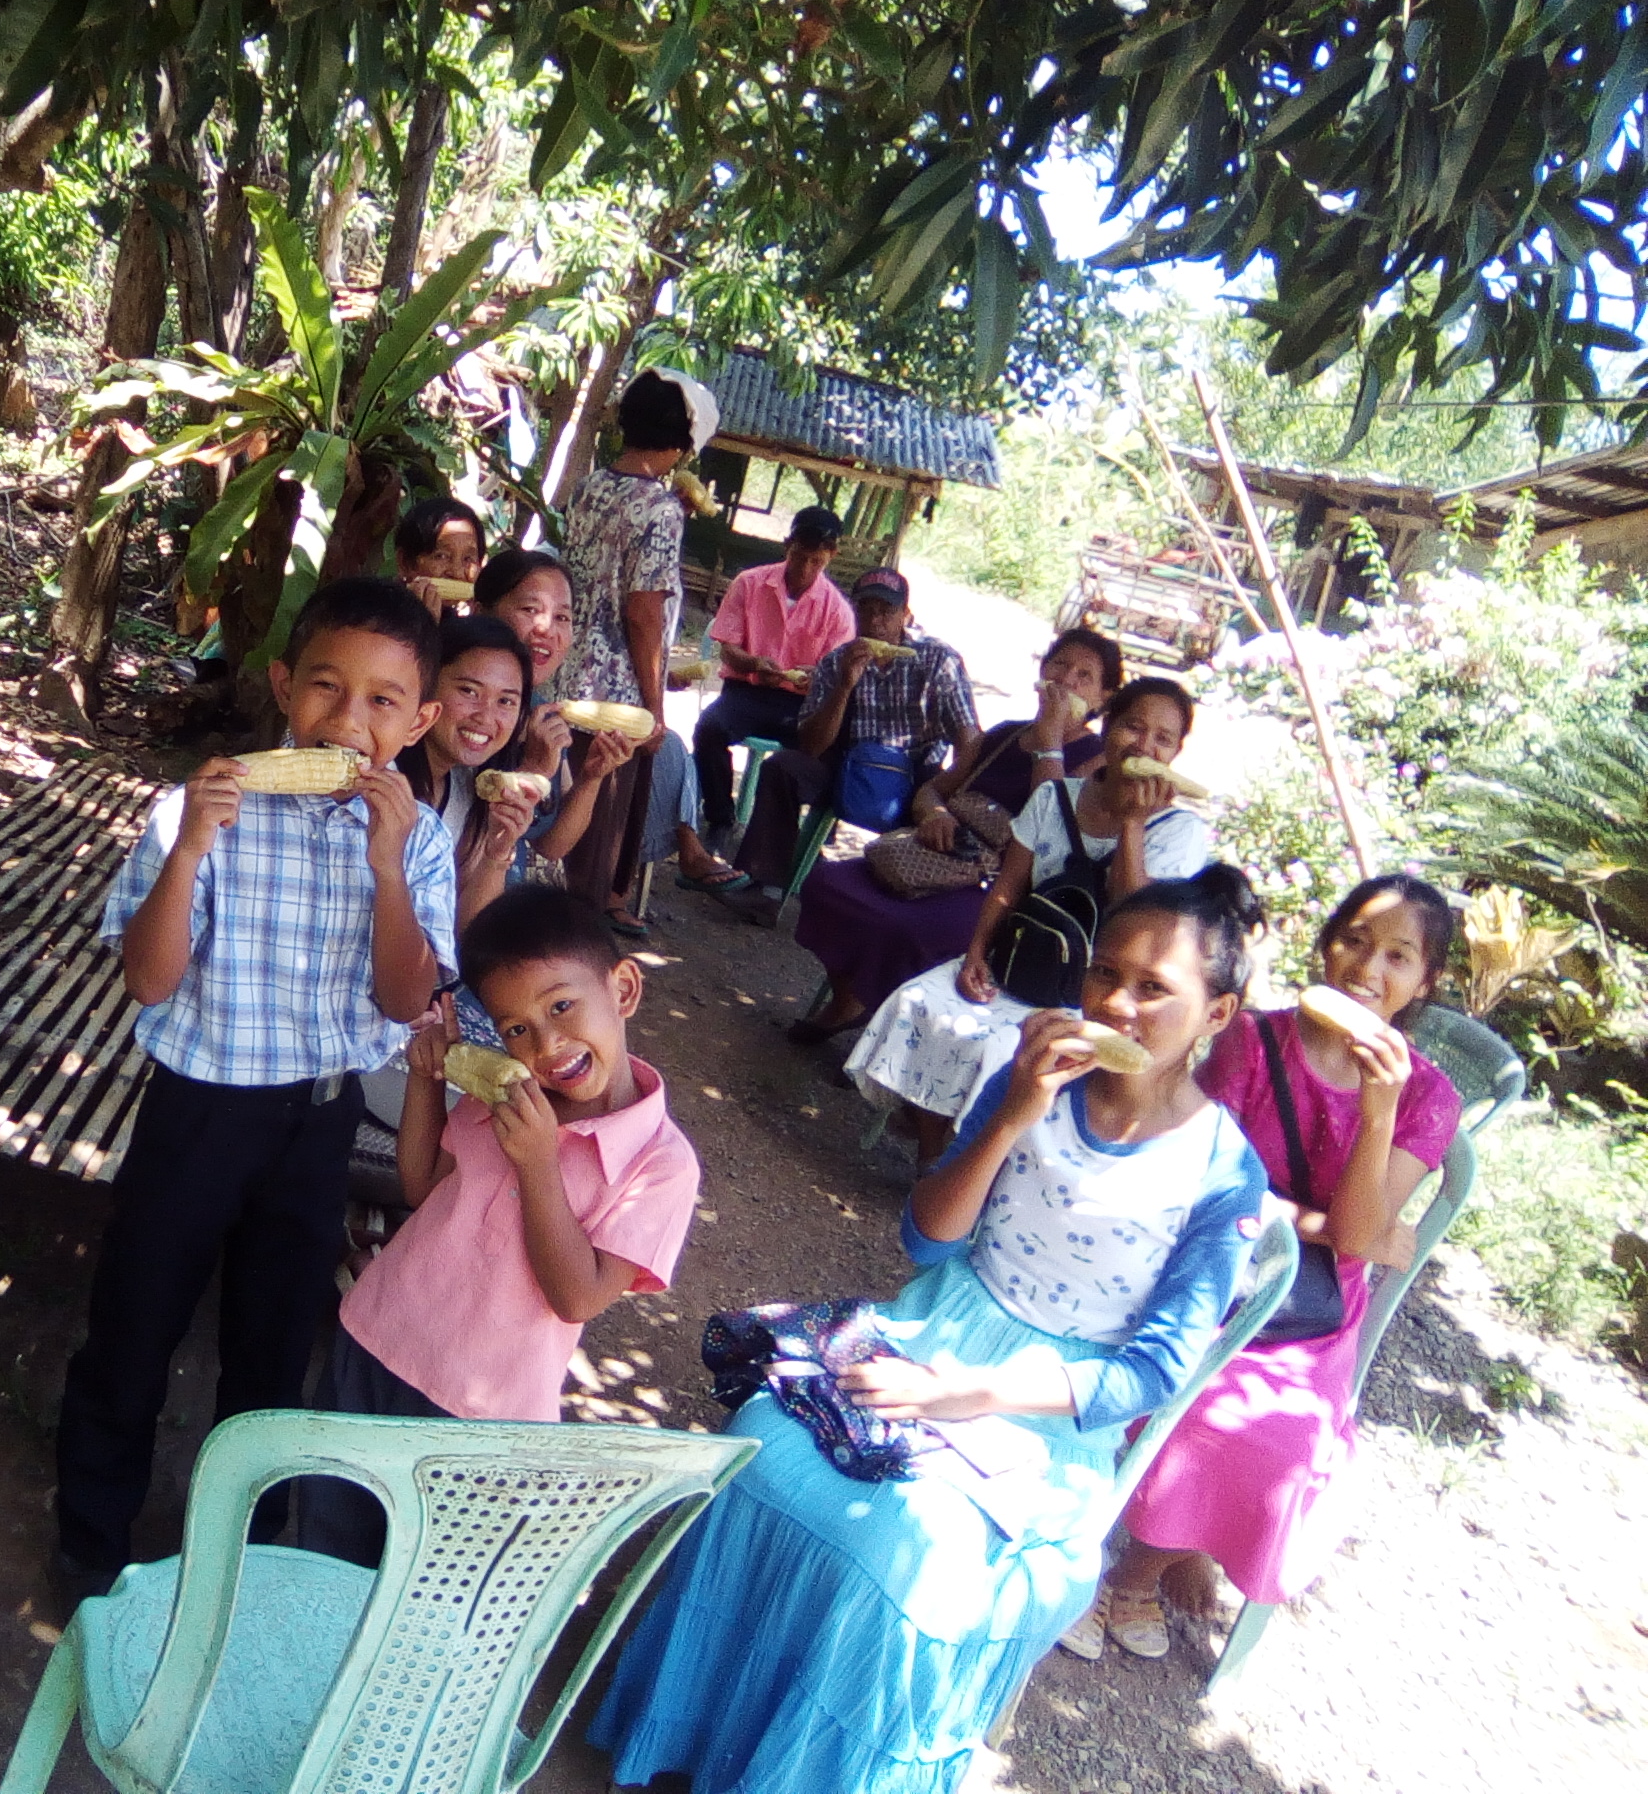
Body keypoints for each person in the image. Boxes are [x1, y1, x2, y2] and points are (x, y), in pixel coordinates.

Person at [589, 869, 1272, 1794]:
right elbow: (926, 1238)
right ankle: (705, 1733)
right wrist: (1014, 1114)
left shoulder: (1223, 1174)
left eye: (1156, 989)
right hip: (941, 1322)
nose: (1117, 1003)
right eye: (1105, 973)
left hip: (1048, 1408)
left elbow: (1149, 1376)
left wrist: (965, 1395)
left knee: (905, 1552)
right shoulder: (1029, 1077)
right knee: (761, 1449)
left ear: (1216, 1014)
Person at [54, 575, 458, 1595]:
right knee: (133, 1327)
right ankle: (90, 1539)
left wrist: (388, 869)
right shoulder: (203, 811)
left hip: (317, 1122)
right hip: (197, 1113)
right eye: (326, 686)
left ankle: (235, 1550)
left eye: (381, 700)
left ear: (418, 723)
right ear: (283, 687)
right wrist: (190, 847)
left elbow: (406, 996)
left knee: (271, 1354)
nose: (348, 720)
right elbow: (148, 979)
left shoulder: (419, 841)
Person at [1071, 876, 1464, 1661]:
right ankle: (1108, 1550)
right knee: (1150, 1371)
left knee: (1267, 1441)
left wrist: (1378, 1112)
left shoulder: (1427, 1098)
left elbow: (1356, 1240)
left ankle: (1141, 1568)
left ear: (1427, 981)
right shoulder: (1252, 1041)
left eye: (1397, 956)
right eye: (1355, 940)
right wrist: (1319, 1224)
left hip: (1306, 1312)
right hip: (1202, 1252)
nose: (1367, 967)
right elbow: (1198, 1170)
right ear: (1327, 942)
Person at [298, 886, 702, 1565]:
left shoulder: (661, 1166)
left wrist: (539, 1165)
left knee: (417, 1576)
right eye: (516, 1028)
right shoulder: (506, 1096)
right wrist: (428, 1079)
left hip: (479, 1412)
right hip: (376, 1339)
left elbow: (577, 1296)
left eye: (562, 1006)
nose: (546, 1044)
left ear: (624, 989)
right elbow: (423, 1186)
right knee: (328, 1536)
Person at [847, 675, 1212, 1170]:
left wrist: (1132, 822)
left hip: (1093, 991)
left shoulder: (1180, 831)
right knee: (921, 1003)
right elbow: (1007, 887)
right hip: (1020, 959)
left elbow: (1138, 923)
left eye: (1163, 738)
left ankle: (973, 1163)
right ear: (1107, 728)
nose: (1144, 745)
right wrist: (976, 954)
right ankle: (933, 1158)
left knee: (1003, 1046)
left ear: (1175, 753)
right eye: (1133, 726)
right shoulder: (1055, 799)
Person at [786, 628, 1121, 1044]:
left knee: (904, 928)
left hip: (1000, 883)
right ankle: (850, 999)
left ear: (1103, 698)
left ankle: (886, 1025)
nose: (1066, 680)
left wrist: (1050, 744)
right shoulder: (1003, 735)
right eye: (1060, 665)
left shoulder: (1096, 762)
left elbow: (1050, 822)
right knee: (829, 883)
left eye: (1084, 676)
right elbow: (934, 789)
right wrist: (935, 814)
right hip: (943, 856)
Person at [720, 567, 979, 928]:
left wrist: (948, 799)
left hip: (914, 775)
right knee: (782, 767)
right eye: (866, 610)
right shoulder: (835, 662)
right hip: (848, 766)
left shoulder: (937, 660)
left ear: (906, 616)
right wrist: (844, 685)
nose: (875, 622)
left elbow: (968, 736)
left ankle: (906, 917)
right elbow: (811, 745)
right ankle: (766, 888)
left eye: (886, 612)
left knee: (949, 819)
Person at [550, 370, 712, 927]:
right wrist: (655, 707)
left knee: (570, 800)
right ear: (681, 442)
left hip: (569, 670)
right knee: (602, 811)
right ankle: (584, 927)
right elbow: (644, 614)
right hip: (615, 691)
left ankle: (573, 913)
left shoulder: (590, 487)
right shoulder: (660, 508)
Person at [689, 504, 856, 847]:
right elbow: (728, 650)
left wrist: (816, 677)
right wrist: (753, 664)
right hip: (746, 691)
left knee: (828, 751)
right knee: (709, 729)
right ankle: (720, 817)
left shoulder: (838, 611)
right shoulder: (749, 583)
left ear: (831, 557)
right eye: (799, 557)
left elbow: (834, 672)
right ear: (787, 546)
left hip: (800, 704)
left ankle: (803, 839)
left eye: (816, 561)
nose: (805, 569)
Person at [475, 547, 629, 890]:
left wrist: (592, 777)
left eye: (562, 617)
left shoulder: (541, 710)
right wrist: (532, 771)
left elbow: (552, 844)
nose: (547, 629)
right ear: (481, 612)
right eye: (530, 610)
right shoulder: (469, 711)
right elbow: (460, 832)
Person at [396, 613, 542, 935]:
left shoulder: (465, 789)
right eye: (469, 691)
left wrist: (496, 854)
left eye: (506, 701)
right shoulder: (380, 780)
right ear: (427, 684)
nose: (486, 716)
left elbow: (467, 934)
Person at [395, 493, 487, 617]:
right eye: (441, 556)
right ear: (405, 563)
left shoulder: (470, 624)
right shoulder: (377, 618)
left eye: (467, 559)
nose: (457, 573)